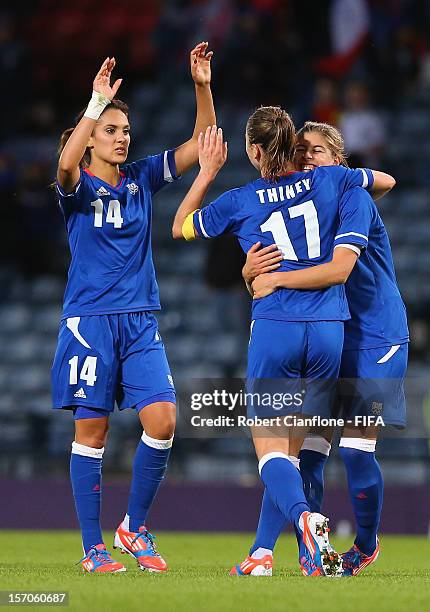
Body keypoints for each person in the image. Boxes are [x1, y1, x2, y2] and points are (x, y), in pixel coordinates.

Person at [172, 108, 395, 577]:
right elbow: (383, 178)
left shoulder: (241, 199)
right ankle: (263, 553)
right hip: (331, 332)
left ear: (254, 150)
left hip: (281, 325)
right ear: (291, 146)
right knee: (303, 449)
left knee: (273, 450)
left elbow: (182, 226)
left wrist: (207, 170)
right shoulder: (334, 183)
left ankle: (307, 520)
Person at [51, 43, 216, 574]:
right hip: (90, 323)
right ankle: (91, 548)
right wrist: (95, 102)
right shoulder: (76, 187)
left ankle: (134, 528)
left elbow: (198, 143)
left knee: (164, 419)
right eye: (111, 131)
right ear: (93, 135)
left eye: (125, 132)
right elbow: (64, 163)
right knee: (92, 433)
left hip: (140, 319)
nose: (122, 139)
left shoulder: (143, 177)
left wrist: (202, 86)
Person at [243, 121, 408, 576]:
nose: (307, 158)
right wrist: (251, 274)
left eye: (316, 150)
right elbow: (262, 273)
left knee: (355, 450)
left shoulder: (352, 198)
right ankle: (286, 551)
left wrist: (273, 278)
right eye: (299, 151)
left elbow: (337, 270)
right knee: (305, 450)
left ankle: (367, 544)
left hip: (373, 334)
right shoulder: (297, 204)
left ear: (338, 159)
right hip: (326, 333)